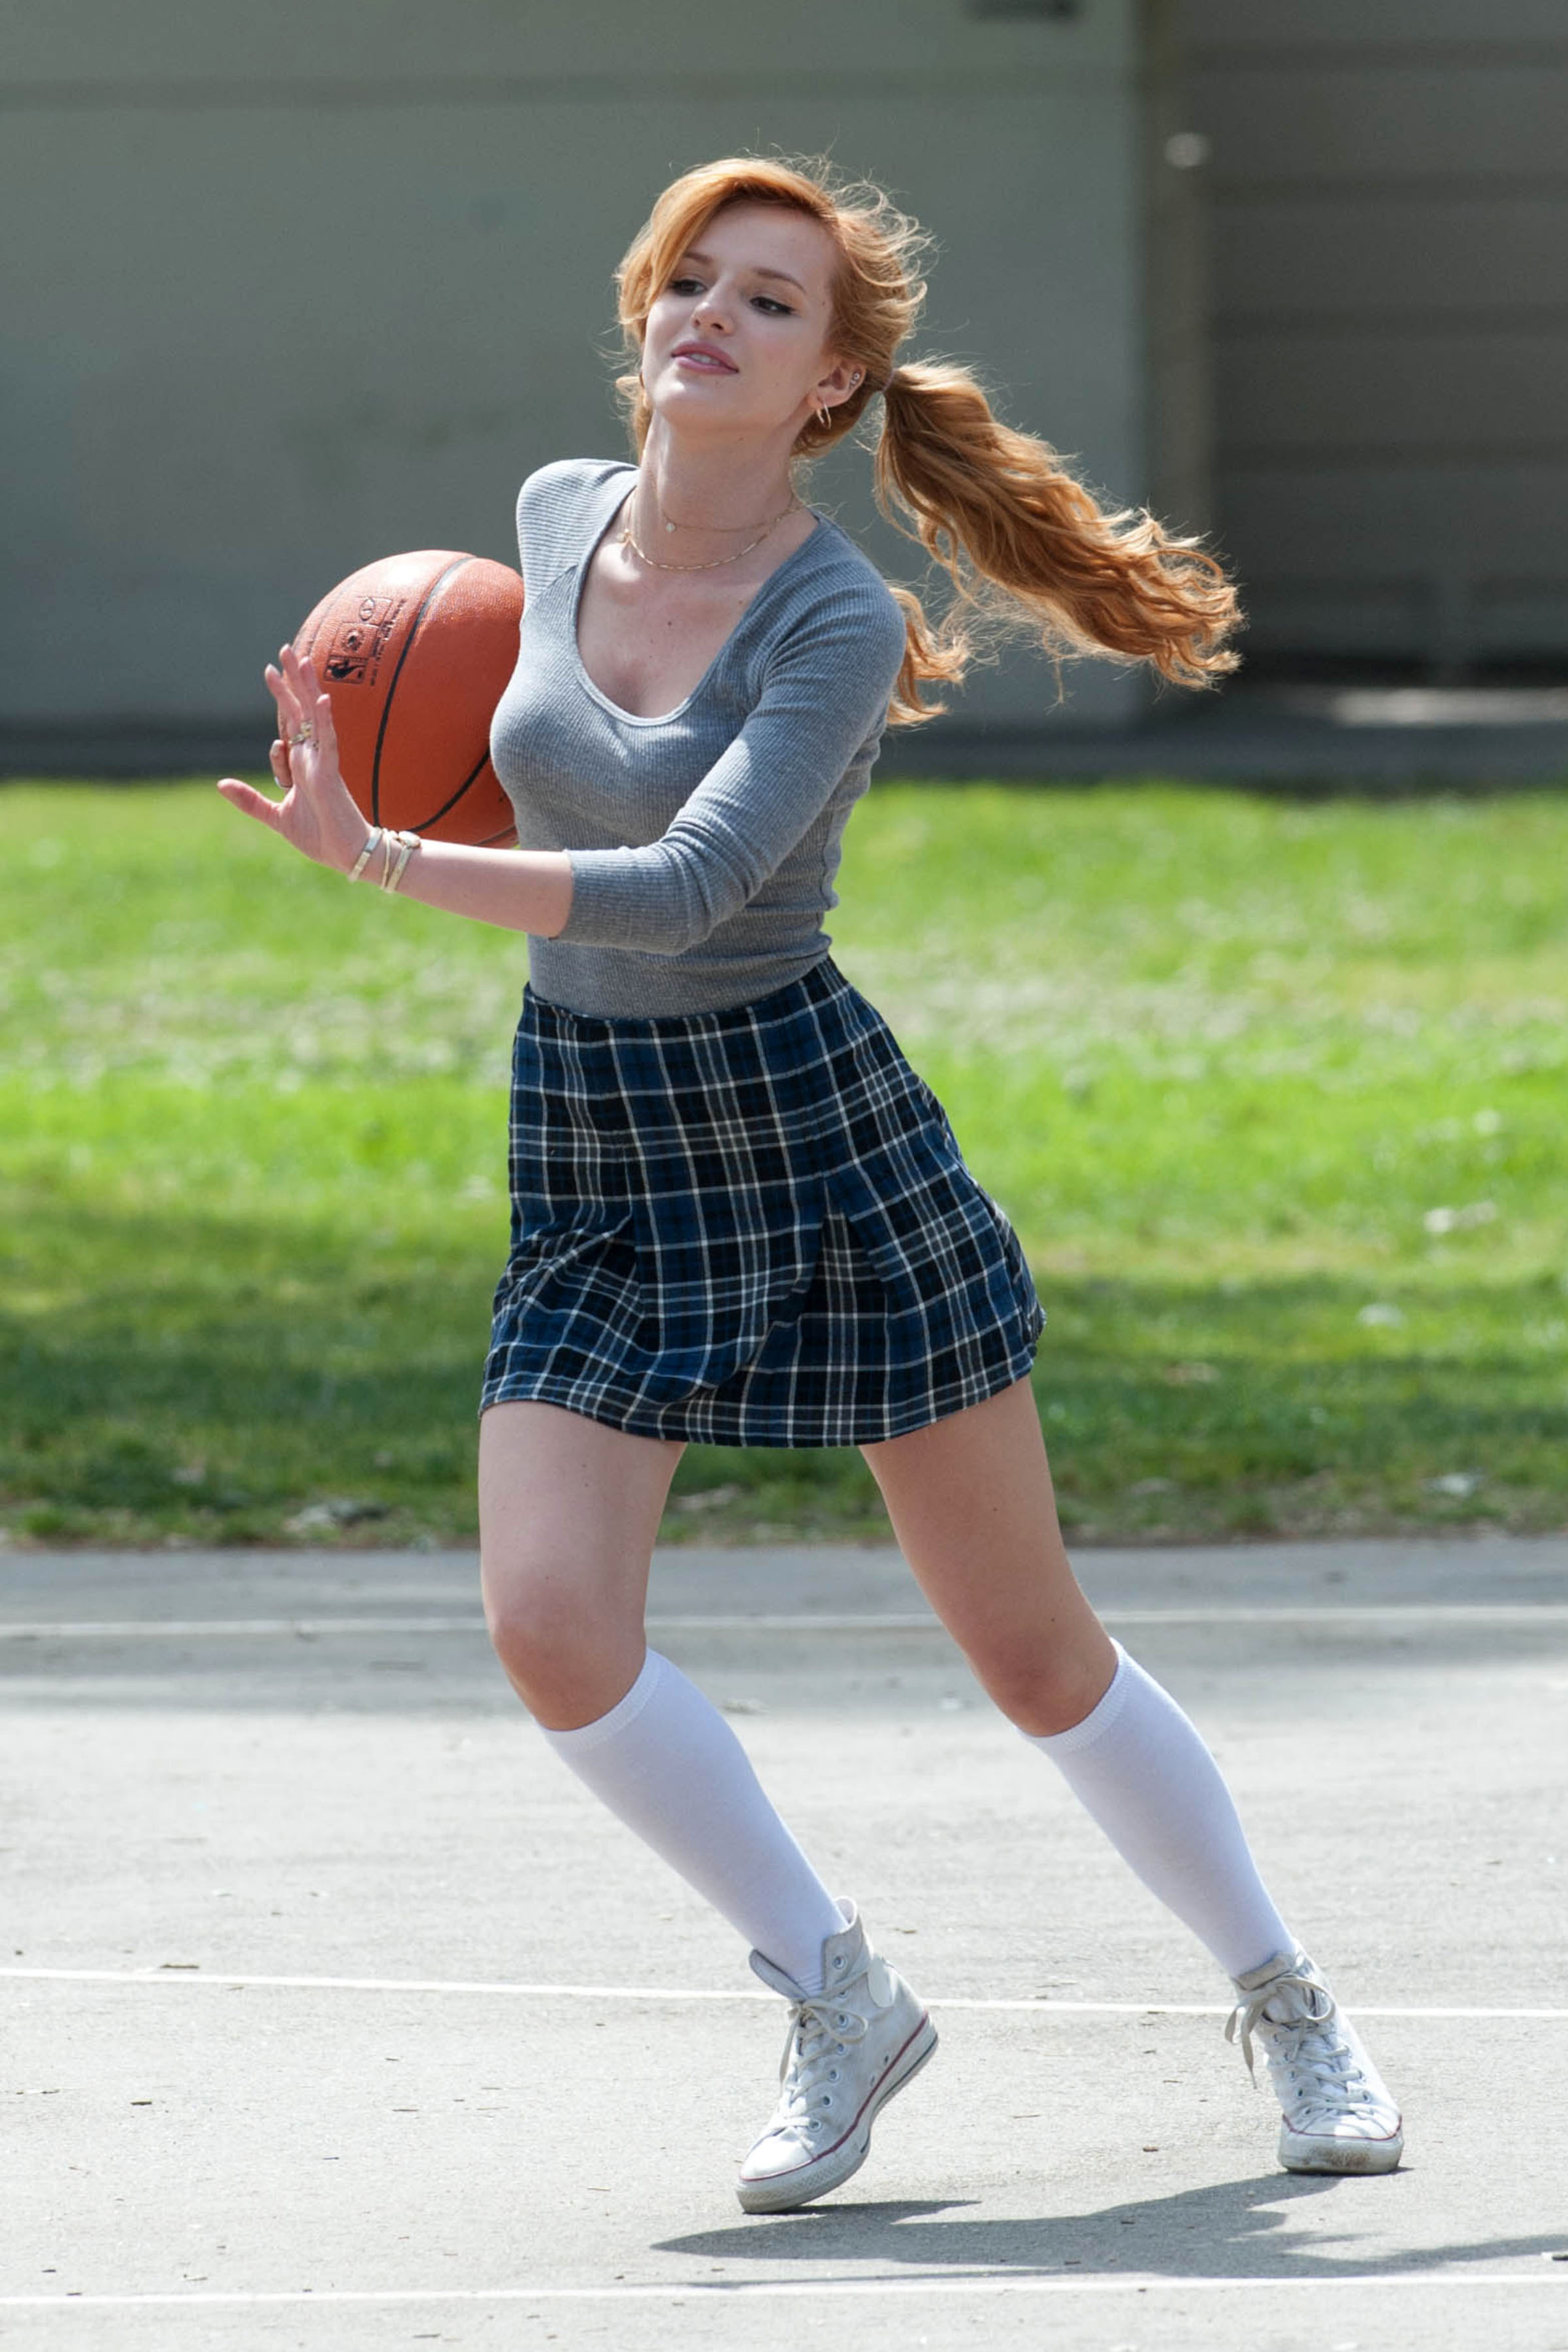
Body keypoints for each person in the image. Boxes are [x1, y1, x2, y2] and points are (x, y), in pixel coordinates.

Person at [218, 151, 1402, 2215]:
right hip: (595, 1127)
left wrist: (389, 859)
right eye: (694, 279)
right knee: (550, 1625)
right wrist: (374, 775)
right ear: (644, 313)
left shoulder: (836, 619)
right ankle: (837, 1992)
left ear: (833, 382)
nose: (716, 316)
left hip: (808, 1125)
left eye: (771, 301)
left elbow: (688, 888)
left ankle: (1287, 1996)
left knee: (1031, 1651)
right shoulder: (549, 521)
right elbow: (497, 752)